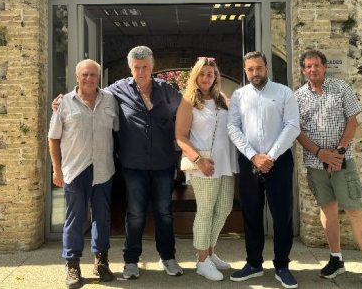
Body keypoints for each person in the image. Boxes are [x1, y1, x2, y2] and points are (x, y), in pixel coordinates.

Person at [54, 46, 183, 279]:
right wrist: (62, 102)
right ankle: (130, 261)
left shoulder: (166, 90)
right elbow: (88, 95)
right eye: (136, 67)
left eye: (145, 67)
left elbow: (187, 109)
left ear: (152, 67)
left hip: (162, 163)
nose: (141, 72)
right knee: (134, 214)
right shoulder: (117, 91)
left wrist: (216, 100)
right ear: (130, 68)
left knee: (164, 213)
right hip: (131, 166)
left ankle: (168, 258)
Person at [294, 49, 362, 289]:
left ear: (325, 67)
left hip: (342, 160)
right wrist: (319, 153)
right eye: (308, 66)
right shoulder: (298, 97)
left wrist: (339, 151)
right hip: (315, 163)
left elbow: (352, 120)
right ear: (303, 70)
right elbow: (298, 131)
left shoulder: (341, 88)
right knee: (327, 209)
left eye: (317, 65)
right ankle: (336, 258)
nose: (313, 69)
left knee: (354, 209)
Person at [227, 51, 301, 289]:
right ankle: (254, 263)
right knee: (251, 214)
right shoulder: (239, 95)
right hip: (250, 162)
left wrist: (270, 156)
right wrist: (253, 156)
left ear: (266, 67)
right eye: (250, 69)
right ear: (245, 70)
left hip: (279, 162)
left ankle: (282, 265)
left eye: (259, 68)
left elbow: (293, 126)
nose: (255, 73)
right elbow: (233, 127)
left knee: (282, 214)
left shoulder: (284, 93)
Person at [48, 59, 118, 289]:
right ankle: (72, 265)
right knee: (74, 220)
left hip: (103, 169)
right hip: (75, 171)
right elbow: (53, 138)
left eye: (93, 74)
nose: (89, 78)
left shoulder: (110, 100)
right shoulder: (64, 103)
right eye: (84, 75)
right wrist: (57, 169)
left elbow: (117, 129)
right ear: (77, 77)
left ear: (99, 77)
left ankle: (101, 262)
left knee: (102, 218)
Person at [175, 57, 239, 281]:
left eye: (210, 74)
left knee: (224, 208)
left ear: (215, 77)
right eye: (202, 74)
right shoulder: (188, 101)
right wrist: (199, 160)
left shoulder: (221, 99)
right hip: (204, 164)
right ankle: (202, 261)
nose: (206, 78)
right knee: (205, 211)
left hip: (225, 162)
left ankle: (210, 253)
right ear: (195, 76)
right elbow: (180, 136)